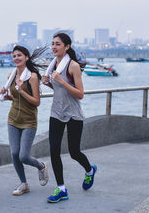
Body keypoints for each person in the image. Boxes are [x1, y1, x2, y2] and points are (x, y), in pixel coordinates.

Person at [42, 32, 97, 203]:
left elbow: (80, 94)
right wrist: (49, 83)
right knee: (53, 149)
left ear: (67, 47)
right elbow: (60, 91)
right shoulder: (52, 66)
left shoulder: (72, 66)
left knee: (74, 152)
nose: (54, 47)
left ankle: (89, 170)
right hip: (56, 112)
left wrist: (61, 81)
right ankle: (61, 189)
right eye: (52, 44)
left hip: (73, 114)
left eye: (58, 44)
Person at [0, 45, 49, 196]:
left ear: (26, 57)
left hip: (29, 121)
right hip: (13, 119)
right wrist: (6, 95)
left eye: (19, 55)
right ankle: (24, 184)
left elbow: (36, 101)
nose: (16, 58)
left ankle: (41, 166)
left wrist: (21, 90)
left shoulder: (32, 76)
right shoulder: (11, 76)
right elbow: (15, 98)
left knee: (23, 156)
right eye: (14, 56)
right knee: (14, 154)